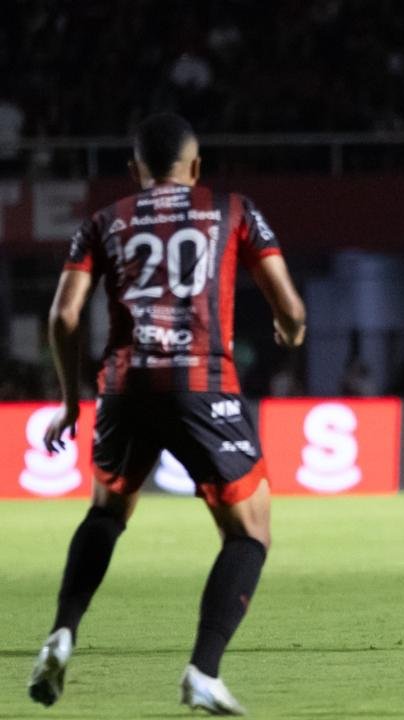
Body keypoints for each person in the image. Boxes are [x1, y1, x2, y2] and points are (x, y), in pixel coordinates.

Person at [30, 112, 306, 716]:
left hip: (125, 386)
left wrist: (70, 401)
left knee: (107, 512)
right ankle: (202, 672)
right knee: (249, 531)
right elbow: (289, 306)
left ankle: (62, 633)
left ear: (136, 170)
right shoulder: (232, 209)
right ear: (196, 166)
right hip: (202, 383)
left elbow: (63, 316)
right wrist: (291, 328)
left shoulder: (104, 221)